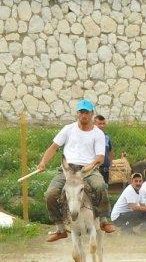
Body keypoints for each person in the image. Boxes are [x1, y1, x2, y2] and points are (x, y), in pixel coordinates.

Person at [38, 99, 115, 242]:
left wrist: (90, 166)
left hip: (88, 170)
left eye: (86, 113)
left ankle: (104, 220)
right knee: (50, 193)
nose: (83, 115)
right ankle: (60, 228)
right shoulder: (68, 129)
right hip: (67, 171)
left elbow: (100, 157)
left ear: (92, 114)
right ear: (77, 114)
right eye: (81, 112)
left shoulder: (98, 133)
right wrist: (43, 162)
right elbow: (53, 147)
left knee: (100, 186)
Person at [94, 114, 113, 184]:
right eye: (99, 124)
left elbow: (111, 151)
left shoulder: (107, 137)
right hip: (94, 170)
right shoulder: (90, 136)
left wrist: (110, 164)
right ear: (94, 124)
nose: (102, 126)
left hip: (105, 170)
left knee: (105, 189)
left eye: (103, 123)